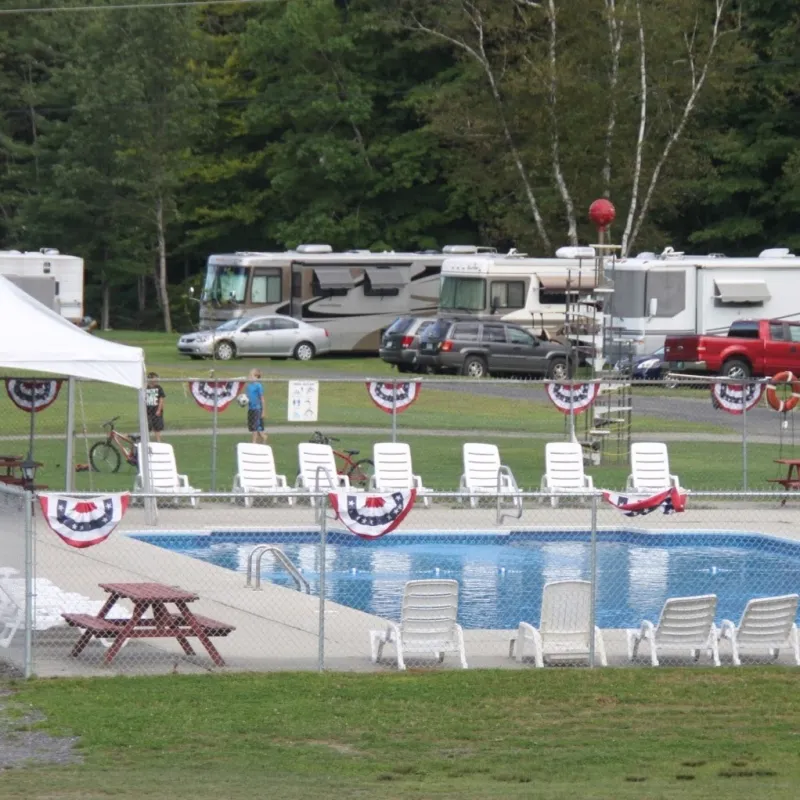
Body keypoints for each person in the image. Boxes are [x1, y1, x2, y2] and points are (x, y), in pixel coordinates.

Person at [246, 368, 267, 444]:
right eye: (249, 375)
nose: (249, 377)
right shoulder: (248, 386)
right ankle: (264, 437)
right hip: (250, 409)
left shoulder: (258, 386)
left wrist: (263, 411)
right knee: (255, 428)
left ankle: (254, 442)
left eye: (251, 375)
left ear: (256, 377)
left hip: (257, 409)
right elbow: (248, 397)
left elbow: (262, 399)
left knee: (255, 427)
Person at [145, 372, 166, 443]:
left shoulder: (159, 388)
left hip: (156, 410)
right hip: (148, 410)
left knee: (157, 427)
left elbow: (161, 399)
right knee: (147, 426)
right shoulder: (146, 388)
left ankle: (158, 440)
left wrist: (159, 410)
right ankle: (146, 440)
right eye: (155, 378)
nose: (156, 380)